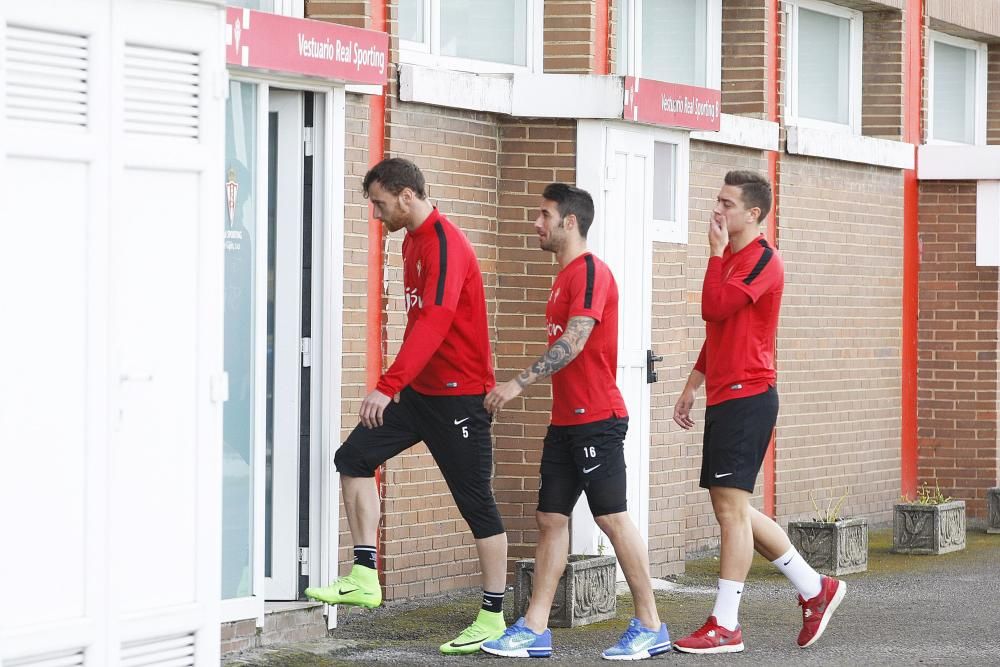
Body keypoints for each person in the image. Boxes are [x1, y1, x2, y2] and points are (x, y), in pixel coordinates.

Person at [304, 158, 508, 655]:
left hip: (459, 397)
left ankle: (493, 614)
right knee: (352, 458)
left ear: (406, 195)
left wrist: (386, 383)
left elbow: (435, 323)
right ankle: (364, 574)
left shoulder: (444, 243)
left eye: (379, 203)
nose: (376, 214)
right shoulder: (410, 241)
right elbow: (419, 328)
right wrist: (400, 386)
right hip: (419, 395)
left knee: (475, 504)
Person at [480, 183, 671, 661]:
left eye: (544, 215)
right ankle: (535, 628)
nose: (536, 224)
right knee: (550, 518)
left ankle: (650, 623)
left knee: (610, 517)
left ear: (570, 221)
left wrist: (518, 383)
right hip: (566, 421)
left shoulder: (589, 272)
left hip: (597, 419)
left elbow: (576, 339)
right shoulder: (562, 277)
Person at [671, 170, 845, 654]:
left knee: (730, 511)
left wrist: (711, 253)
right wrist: (690, 387)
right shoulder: (730, 257)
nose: (717, 211)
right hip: (725, 396)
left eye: (727, 204)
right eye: (717, 201)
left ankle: (725, 624)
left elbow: (713, 306)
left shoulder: (762, 259)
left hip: (749, 397)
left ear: (753, 213)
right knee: (735, 509)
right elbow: (720, 332)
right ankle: (815, 588)